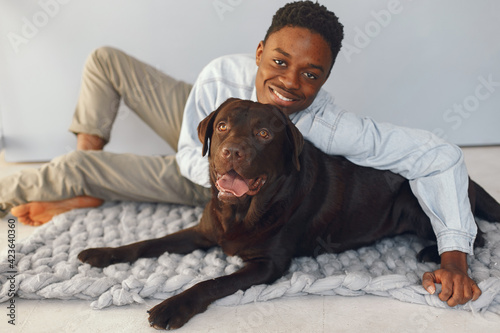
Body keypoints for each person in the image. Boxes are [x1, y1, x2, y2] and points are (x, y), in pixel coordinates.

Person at [0, 1, 481, 307]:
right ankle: (90, 187)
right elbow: (195, 146)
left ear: (326, 79)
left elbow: (438, 155)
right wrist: (222, 150)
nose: (291, 83)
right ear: (258, 52)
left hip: (228, 165)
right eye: (279, 62)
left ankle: (85, 177)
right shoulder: (220, 76)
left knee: (75, 168)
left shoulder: (330, 126)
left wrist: (454, 256)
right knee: (106, 59)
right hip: (207, 146)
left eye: (311, 74)